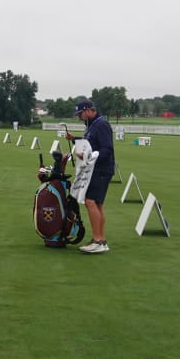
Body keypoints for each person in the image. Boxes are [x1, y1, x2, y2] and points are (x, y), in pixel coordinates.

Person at [66, 100, 115, 254]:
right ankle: (101, 240)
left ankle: (97, 240)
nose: (80, 117)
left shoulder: (101, 124)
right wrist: (75, 139)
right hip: (96, 169)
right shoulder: (92, 125)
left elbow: (106, 149)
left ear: (88, 110)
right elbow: (90, 143)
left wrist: (88, 157)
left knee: (90, 201)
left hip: (100, 169)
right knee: (97, 204)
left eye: (80, 114)